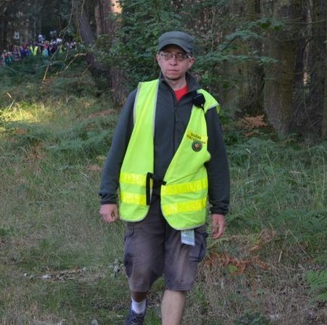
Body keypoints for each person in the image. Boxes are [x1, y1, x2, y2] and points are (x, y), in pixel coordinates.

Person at [98, 31, 230, 325]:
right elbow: (118, 146)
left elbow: (217, 159)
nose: (173, 62)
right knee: (141, 268)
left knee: (179, 277)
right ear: (158, 59)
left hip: (186, 207)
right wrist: (108, 196)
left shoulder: (204, 105)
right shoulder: (140, 96)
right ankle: (138, 308)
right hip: (145, 201)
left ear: (190, 61)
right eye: (167, 55)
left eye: (180, 56)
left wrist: (219, 207)